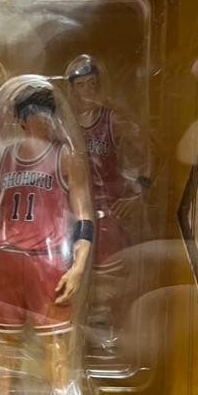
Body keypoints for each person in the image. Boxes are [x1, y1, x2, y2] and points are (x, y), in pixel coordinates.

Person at [0, 83, 98, 395]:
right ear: (23, 119)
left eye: (48, 113)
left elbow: (84, 216)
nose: (45, 120)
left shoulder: (64, 156)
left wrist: (78, 265)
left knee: (56, 344)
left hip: (46, 259)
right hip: (6, 257)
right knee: (3, 340)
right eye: (37, 113)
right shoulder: (5, 156)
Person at [65, 54, 149, 350]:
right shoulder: (63, 125)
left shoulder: (112, 120)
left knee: (105, 282)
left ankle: (103, 336)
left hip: (106, 211)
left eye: (92, 84)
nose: (87, 90)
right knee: (67, 275)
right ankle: (72, 336)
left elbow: (149, 151)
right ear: (72, 89)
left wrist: (140, 189)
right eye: (81, 85)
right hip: (70, 214)